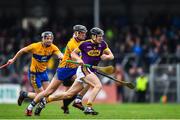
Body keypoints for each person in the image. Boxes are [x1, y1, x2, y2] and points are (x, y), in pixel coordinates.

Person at [34, 27, 114, 115]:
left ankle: (45, 101)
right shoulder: (84, 44)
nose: (101, 38)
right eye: (99, 36)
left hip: (91, 70)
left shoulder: (103, 44)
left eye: (102, 36)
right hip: (84, 69)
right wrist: (78, 60)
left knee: (68, 94)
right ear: (94, 36)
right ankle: (88, 107)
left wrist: (106, 57)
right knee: (98, 85)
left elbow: (111, 55)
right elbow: (73, 54)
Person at [25, 25, 88, 116]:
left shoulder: (82, 43)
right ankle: (30, 107)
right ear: (76, 33)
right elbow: (75, 57)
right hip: (64, 69)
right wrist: (79, 61)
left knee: (83, 84)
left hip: (74, 70)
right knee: (48, 92)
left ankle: (77, 100)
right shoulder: (72, 43)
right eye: (82, 33)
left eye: (85, 33)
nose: (84, 34)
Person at [6, 31, 63, 105]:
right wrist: (13, 59)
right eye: (47, 38)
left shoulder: (53, 47)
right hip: (34, 74)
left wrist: (61, 57)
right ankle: (24, 94)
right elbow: (22, 51)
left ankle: (24, 94)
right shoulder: (35, 46)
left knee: (47, 94)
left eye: (51, 38)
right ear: (42, 39)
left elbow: (59, 54)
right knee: (41, 96)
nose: (49, 40)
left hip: (44, 73)